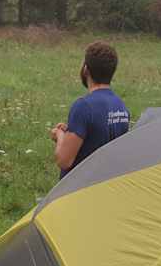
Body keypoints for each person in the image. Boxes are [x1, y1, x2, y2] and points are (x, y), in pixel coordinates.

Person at [50, 41, 130, 178]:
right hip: (105, 185)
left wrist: (60, 135)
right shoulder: (121, 106)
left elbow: (64, 161)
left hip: (78, 189)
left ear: (86, 70)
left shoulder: (83, 106)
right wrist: (72, 131)